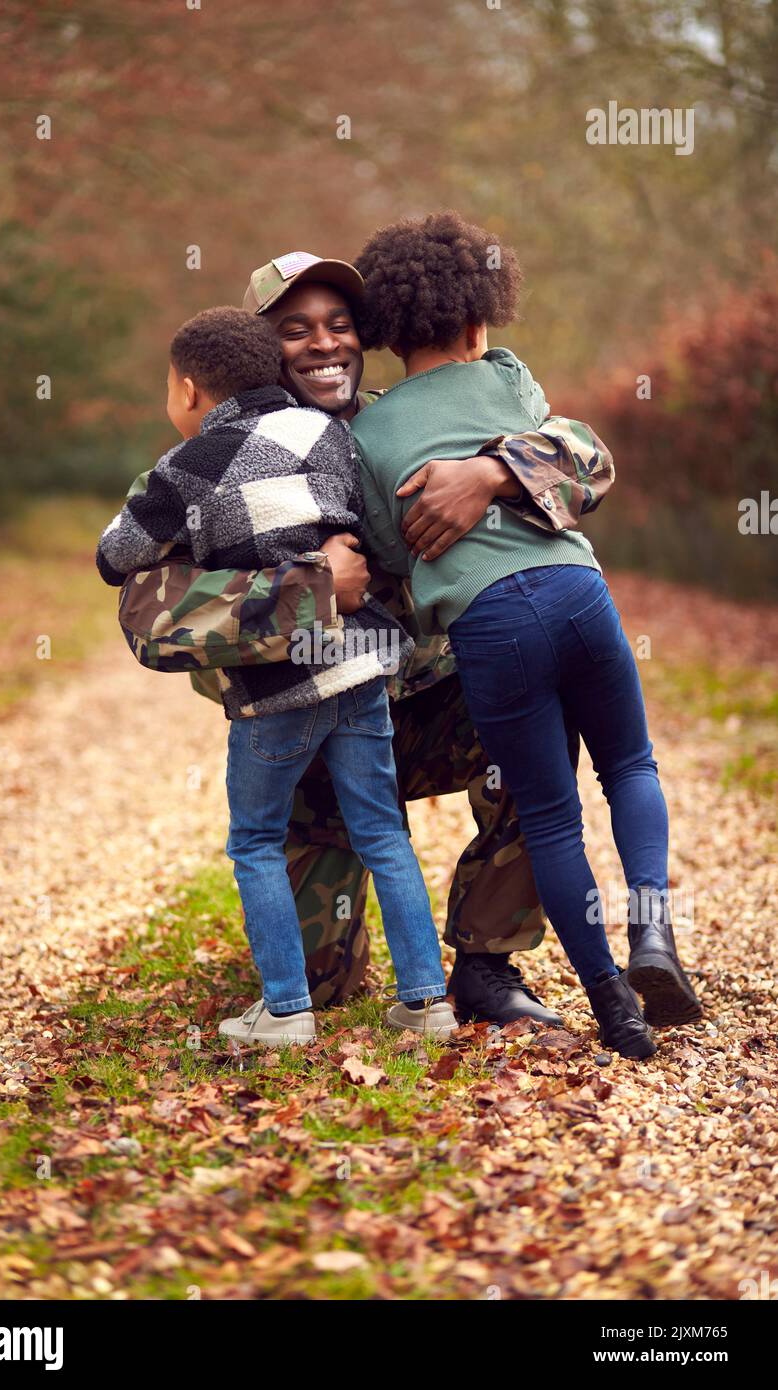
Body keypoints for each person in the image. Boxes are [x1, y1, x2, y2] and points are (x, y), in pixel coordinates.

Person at [115, 251, 616, 1027]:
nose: (323, 345)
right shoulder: (216, 472)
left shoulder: (412, 419)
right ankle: (322, 973)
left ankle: (486, 965)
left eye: (339, 326)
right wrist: (314, 590)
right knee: (321, 989)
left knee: (538, 721)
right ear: (254, 353)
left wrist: (495, 473)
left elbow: (584, 450)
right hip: (310, 743)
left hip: (433, 708)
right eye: (294, 330)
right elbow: (150, 614)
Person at [348, 211, 703, 1059]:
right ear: (479, 319)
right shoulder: (508, 374)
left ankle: (613, 1009)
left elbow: (397, 552)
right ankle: (653, 935)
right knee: (630, 765)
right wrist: (503, 470)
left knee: (548, 815)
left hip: (490, 624)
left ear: (390, 333)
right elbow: (565, 463)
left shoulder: (366, 435)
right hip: (580, 591)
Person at [96, 305, 456, 1046]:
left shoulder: (187, 464)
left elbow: (116, 556)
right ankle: (427, 1003)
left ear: (190, 389)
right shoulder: (327, 431)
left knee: (254, 841)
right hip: (357, 667)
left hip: (275, 690)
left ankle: (286, 1011)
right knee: (385, 834)